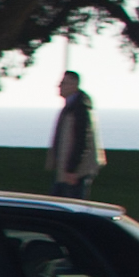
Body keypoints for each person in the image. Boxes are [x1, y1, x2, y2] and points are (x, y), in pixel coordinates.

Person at [49, 70, 103, 198]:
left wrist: (72, 169)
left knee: (71, 208)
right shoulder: (70, 107)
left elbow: (81, 140)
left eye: (63, 83)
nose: (59, 86)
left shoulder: (80, 108)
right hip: (67, 170)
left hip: (75, 172)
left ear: (74, 85)